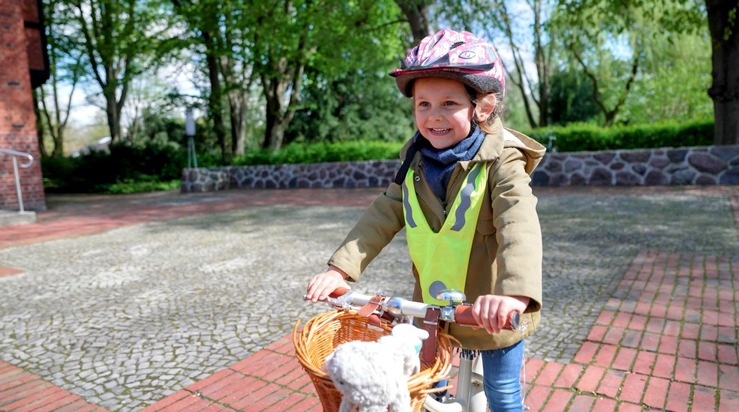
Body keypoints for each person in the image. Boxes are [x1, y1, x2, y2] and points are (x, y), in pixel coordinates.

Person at [305, 28, 544, 412]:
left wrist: (514, 295)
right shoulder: (415, 160)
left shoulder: (503, 160)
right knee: (424, 389)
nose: (434, 117)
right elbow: (384, 212)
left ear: (482, 107)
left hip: (490, 309)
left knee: (503, 396)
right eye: (423, 105)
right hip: (434, 310)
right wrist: (340, 270)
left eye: (449, 103)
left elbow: (520, 222)